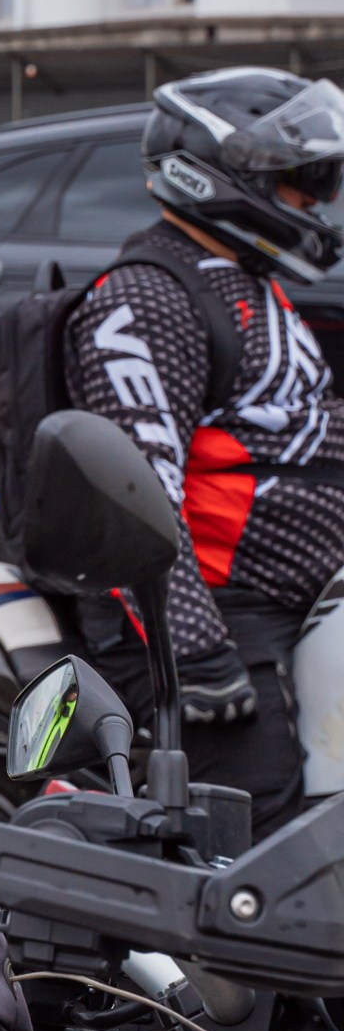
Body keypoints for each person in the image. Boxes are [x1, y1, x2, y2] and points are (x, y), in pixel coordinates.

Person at [64, 67, 344, 829]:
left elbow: (288, 426)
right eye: (301, 179)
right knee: (266, 833)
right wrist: (195, 651)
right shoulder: (146, 298)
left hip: (297, 602)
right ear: (218, 177)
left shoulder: (247, 281)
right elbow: (136, 493)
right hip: (211, 616)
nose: (316, 200)